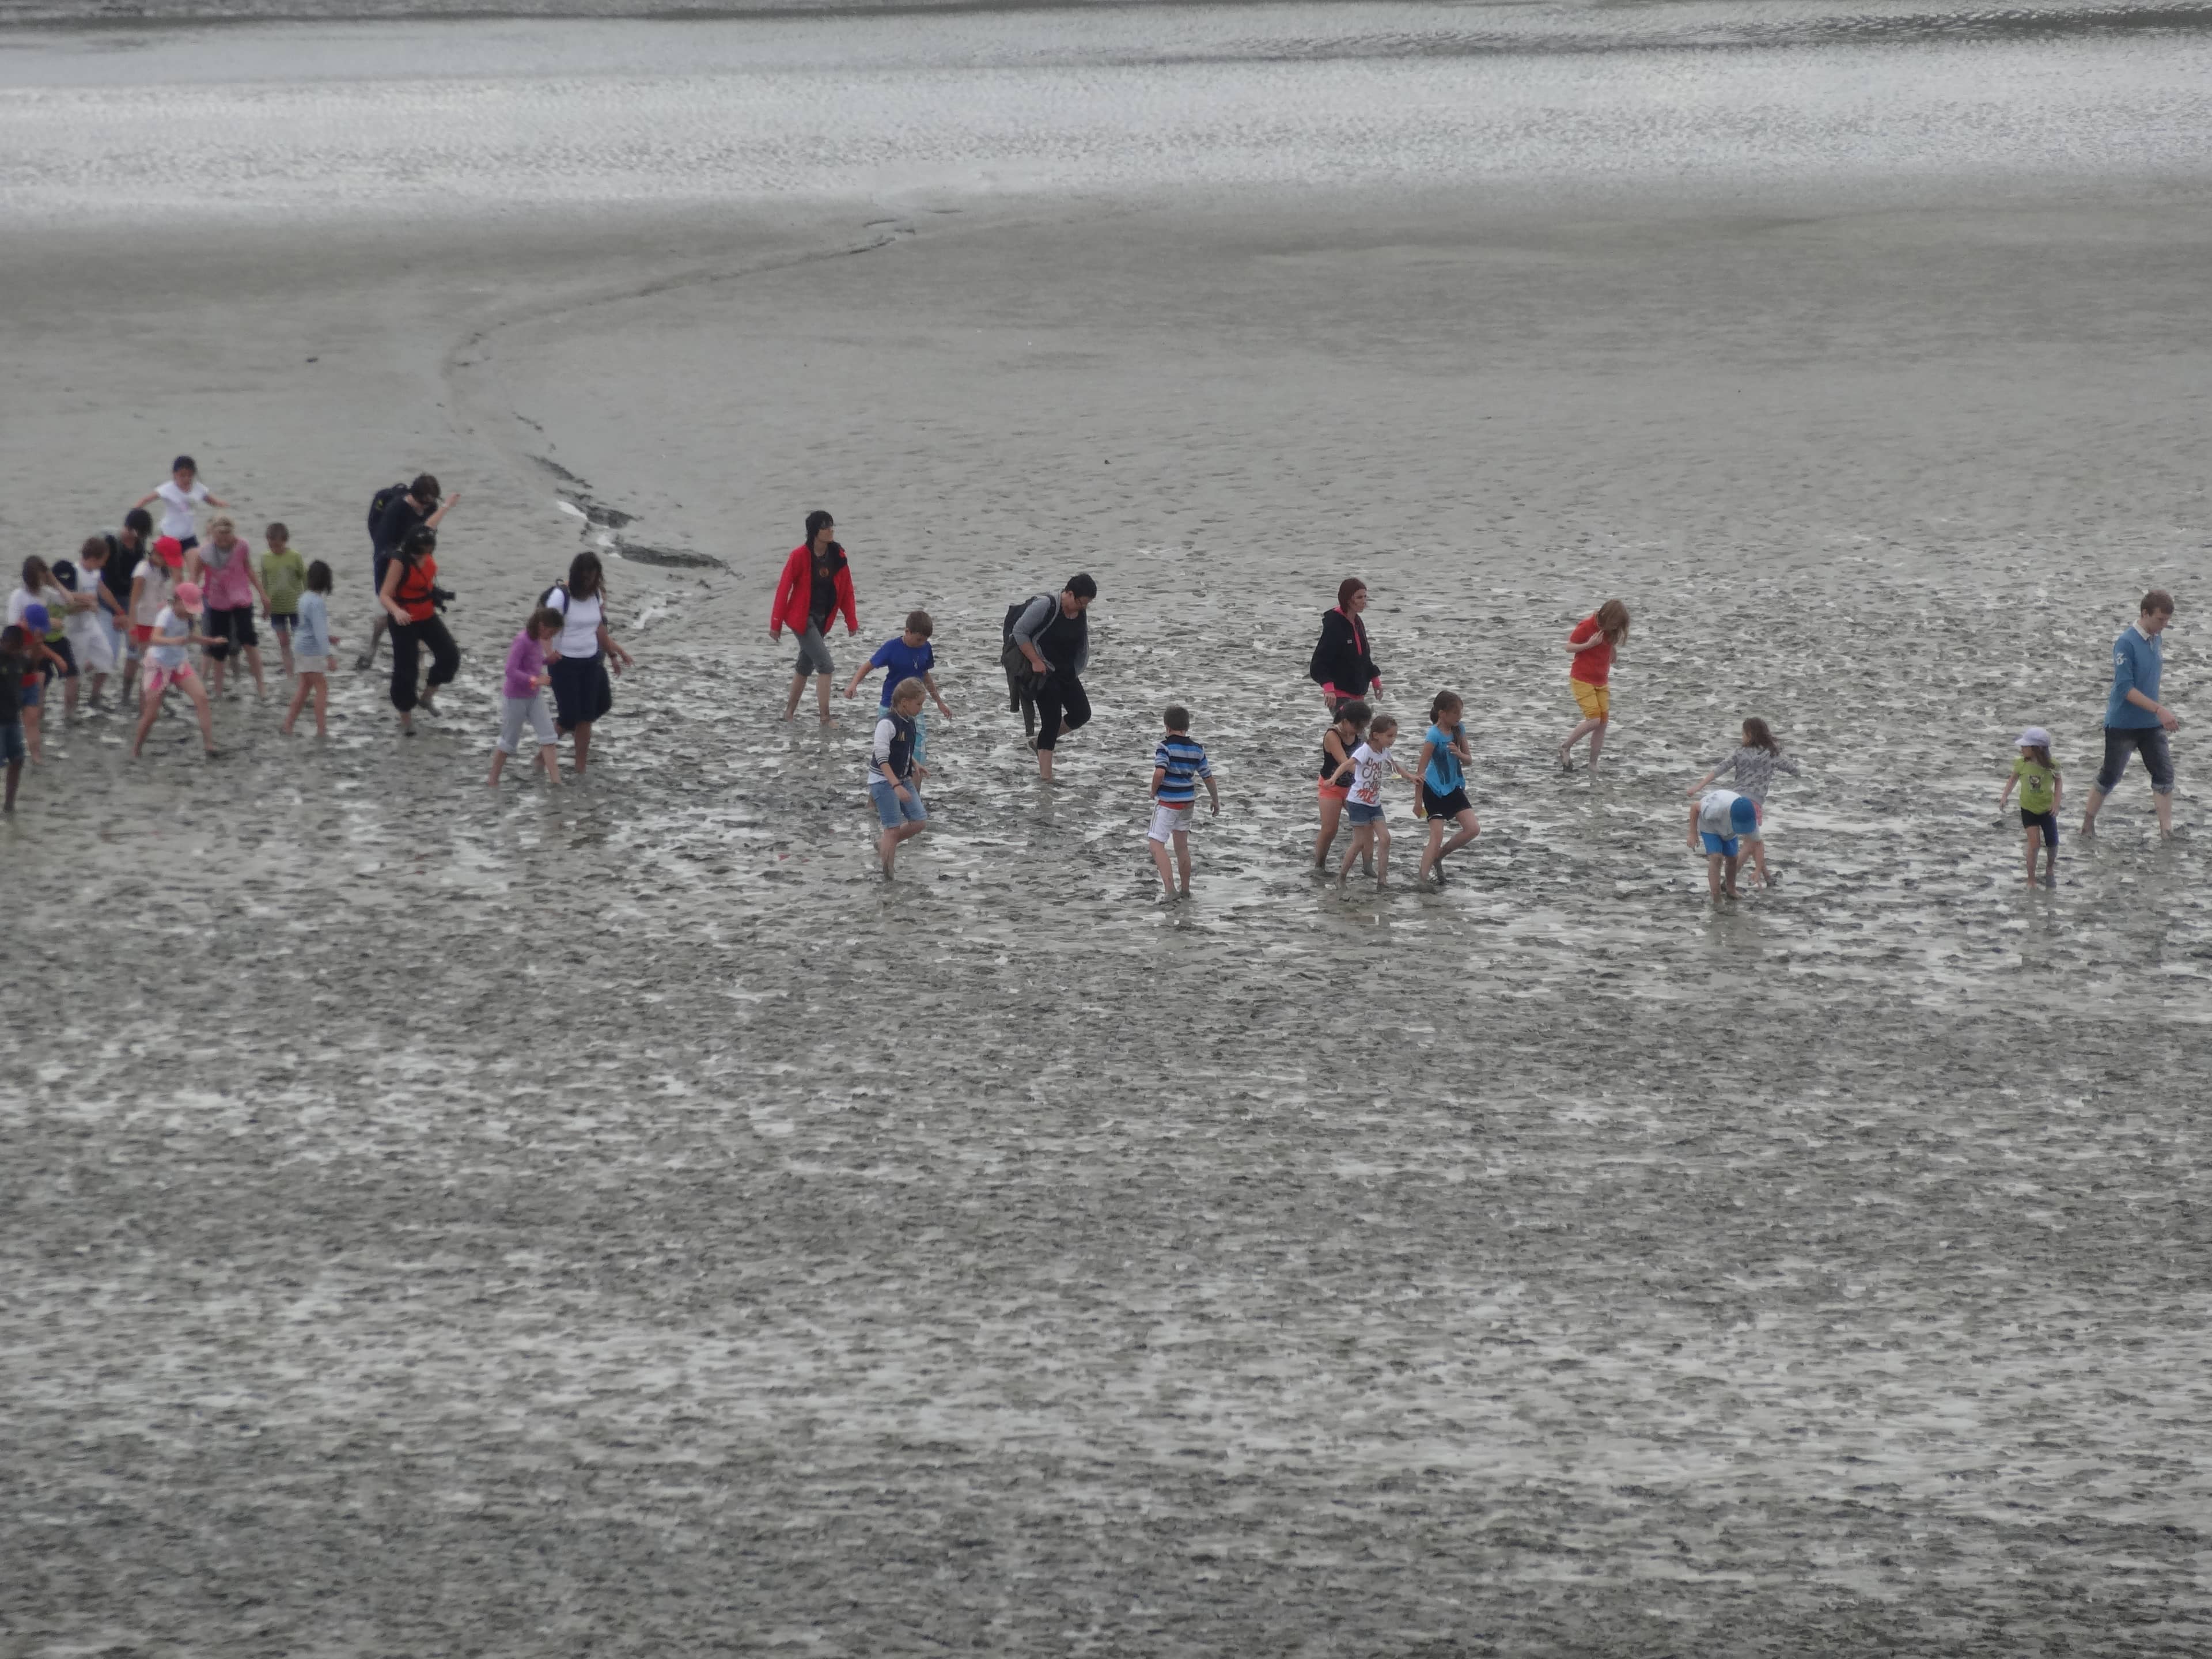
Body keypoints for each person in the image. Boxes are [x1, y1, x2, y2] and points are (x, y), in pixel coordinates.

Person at [2081, 589, 2178, 840]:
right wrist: (2160, 709)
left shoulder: (2156, 639)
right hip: (2123, 723)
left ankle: (2166, 831)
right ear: (2144, 613)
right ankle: (2088, 823)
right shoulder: (2126, 642)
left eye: (2168, 620)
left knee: (2164, 774)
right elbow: (2125, 688)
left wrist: (2157, 712)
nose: (2164, 625)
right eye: (2160, 620)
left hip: (2150, 723)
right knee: (2110, 775)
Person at [1686, 717, 1800, 888]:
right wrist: (1799, 771)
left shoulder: (1740, 752)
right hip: (1754, 804)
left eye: (1743, 733)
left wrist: (1698, 786)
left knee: (1754, 841)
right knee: (1752, 842)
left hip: (1734, 802)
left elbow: (1720, 769)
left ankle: (1766, 876)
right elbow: (1793, 769)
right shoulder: (1772, 754)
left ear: (1749, 734)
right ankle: (1729, 880)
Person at [545, 551, 632, 774]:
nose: (590, 582)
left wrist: (613, 655)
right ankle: (541, 756)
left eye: (594, 577)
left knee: (587, 716)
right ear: (576, 576)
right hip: (564, 663)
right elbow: (543, 630)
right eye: (585, 578)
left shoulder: (596, 596)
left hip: (591, 662)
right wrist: (549, 654)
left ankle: (580, 768)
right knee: (569, 717)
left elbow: (599, 629)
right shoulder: (559, 597)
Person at [360, 475, 457, 669]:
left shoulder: (429, 508)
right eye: (422, 503)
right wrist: (399, 562)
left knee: (420, 609)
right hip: (390, 566)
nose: (424, 509)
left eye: (429, 504)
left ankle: (419, 661)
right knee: (384, 615)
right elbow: (381, 546)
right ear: (414, 495)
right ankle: (373, 646)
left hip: (418, 565)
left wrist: (424, 562)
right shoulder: (395, 510)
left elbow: (429, 532)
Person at [771, 510, 858, 722]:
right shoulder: (799, 556)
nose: (831, 530)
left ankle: (789, 713)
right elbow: (784, 589)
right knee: (826, 665)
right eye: (826, 526)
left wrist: (851, 620)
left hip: (823, 619)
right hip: (802, 619)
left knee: (805, 666)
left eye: (832, 525)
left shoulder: (838, 556)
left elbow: (847, 590)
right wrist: (776, 624)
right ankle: (825, 717)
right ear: (814, 531)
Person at [1010, 574, 1097, 781]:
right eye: (1081, 603)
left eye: (1087, 605)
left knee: (1082, 713)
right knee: (1051, 721)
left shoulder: (1080, 612)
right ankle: (1046, 779)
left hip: (1067, 671)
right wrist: (1035, 660)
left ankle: (1039, 743)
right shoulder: (1046, 605)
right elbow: (1020, 631)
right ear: (1069, 593)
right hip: (1043, 672)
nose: (1083, 608)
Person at [376, 527, 459, 735]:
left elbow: (429, 525)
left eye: (427, 550)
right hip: (403, 620)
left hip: (427, 615)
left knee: (450, 655)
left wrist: (446, 506)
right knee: (406, 670)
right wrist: (396, 612)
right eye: (419, 551)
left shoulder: (427, 553)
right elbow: (384, 595)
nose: (422, 554)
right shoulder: (400, 561)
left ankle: (427, 697)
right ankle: (406, 719)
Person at [844, 609, 953, 762]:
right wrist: (853, 686)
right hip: (890, 705)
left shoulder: (926, 648)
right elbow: (867, 666)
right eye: (919, 640)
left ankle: (915, 784)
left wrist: (940, 703)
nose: (921, 644)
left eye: (925, 640)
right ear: (907, 632)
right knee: (889, 752)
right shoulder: (891, 648)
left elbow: (926, 676)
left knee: (918, 752)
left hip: (915, 707)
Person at [131, 581, 219, 761]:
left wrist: (209, 641)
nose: (189, 612)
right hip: (158, 666)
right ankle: (136, 750)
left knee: (202, 698)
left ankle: (209, 745)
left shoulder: (188, 618)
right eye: (187, 607)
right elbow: (154, 638)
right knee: (151, 714)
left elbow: (189, 637)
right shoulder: (166, 615)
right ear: (177, 600)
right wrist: (173, 642)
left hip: (179, 663)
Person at [1329, 711, 1417, 890]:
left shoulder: (1385, 752)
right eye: (1390, 736)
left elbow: (1396, 767)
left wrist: (1411, 777)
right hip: (1358, 802)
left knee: (1385, 838)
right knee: (1359, 843)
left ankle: (1382, 881)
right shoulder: (1365, 751)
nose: (1393, 740)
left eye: (1395, 736)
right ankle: (1341, 877)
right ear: (1376, 735)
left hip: (1374, 803)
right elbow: (1347, 764)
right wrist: (1333, 778)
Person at [1147, 704, 1220, 899]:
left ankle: (1170, 890)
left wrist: (1153, 791)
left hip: (1169, 803)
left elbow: (1160, 772)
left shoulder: (1165, 747)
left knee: (1156, 844)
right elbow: (1208, 778)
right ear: (1187, 727)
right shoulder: (1197, 750)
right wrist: (1215, 800)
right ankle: (1186, 889)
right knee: (1182, 847)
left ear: (1167, 727)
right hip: (1188, 802)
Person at [190, 516, 267, 700]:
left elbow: (249, 569)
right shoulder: (205, 552)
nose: (224, 539)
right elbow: (194, 579)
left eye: (227, 534)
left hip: (241, 599)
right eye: (220, 535)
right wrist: (188, 603)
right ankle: (218, 692)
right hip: (217, 602)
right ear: (213, 534)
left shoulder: (242, 547)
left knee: (249, 641)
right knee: (219, 646)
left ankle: (261, 687)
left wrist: (263, 595)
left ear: (233, 533)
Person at [490, 604, 564, 789]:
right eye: (552, 632)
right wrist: (535, 680)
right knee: (509, 741)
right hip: (515, 698)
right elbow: (510, 670)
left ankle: (556, 781)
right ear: (542, 626)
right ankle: (493, 779)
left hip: (534, 697)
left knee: (549, 736)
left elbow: (534, 661)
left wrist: (548, 660)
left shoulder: (538, 640)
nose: (551, 637)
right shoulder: (522, 640)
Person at [1558, 599, 1630, 774]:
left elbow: (1609, 642)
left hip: (1601, 681)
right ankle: (1565, 747)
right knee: (1594, 719)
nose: (1615, 629)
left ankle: (1593, 763)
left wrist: (1613, 649)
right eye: (1614, 625)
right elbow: (1569, 647)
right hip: (1582, 679)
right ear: (1605, 617)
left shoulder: (1610, 631)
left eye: (1618, 627)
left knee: (1603, 722)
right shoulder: (1587, 625)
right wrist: (1588, 645)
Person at [1415, 691, 1480, 885]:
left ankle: (1440, 857)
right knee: (1436, 837)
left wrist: (1459, 753)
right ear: (1442, 714)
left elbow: (1469, 760)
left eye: (1460, 713)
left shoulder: (1459, 729)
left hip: (1453, 787)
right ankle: (1422, 880)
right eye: (1455, 713)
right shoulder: (1433, 735)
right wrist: (1418, 801)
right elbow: (1420, 770)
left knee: (1473, 829)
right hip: (1433, 790)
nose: (1459, 717)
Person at [868, 676, 930, 877]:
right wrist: (895, 785)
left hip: (903, 778)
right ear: (904, 702)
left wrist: (915, 764)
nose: (921, 708)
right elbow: (882, 757)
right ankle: (888, 874)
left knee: (919, 821)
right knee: (892, 828)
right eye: (918, 704)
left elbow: (903, 749)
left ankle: (883, 844)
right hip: (884, 781)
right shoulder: (887, 724)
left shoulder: (909, 722)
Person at [7, 564, 70, 760]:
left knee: (32, 721)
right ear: (26, 622)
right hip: (12, 685)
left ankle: (37, 759)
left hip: (30, 683)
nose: (40, 635)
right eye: (38, 631)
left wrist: (56, 657)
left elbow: (40, 649)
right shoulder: (13, 637)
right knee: (10, 724)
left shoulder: (37, 635)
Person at [1998, 726, 2063, 889]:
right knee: (2034, 844)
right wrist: (2005, 795)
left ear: (2038, 748)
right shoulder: (2021, 764)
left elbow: (2059, 782)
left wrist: (2056, 803)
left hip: (2047, 810)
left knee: (2053, 843)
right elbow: (2012, 779)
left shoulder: (2052, 765)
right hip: (2028, 809)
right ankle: (2031, 879)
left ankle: (2049, 868)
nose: (2022, 749)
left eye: (2025, 747)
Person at [281, 561, 340, 738]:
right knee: (322, 687)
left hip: (299, 647)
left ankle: (288, 725)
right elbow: (319, 632)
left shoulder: (304, 598)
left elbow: (307, 626)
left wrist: (328, 638)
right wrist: (329, 656)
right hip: (310, 651)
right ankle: (321, 730)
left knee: (304, 687)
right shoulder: (317, 603)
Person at [96, 510, 152, 695]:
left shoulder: (140, 544)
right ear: (128, 527)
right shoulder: (111, 543)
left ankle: (126, 694)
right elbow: (103, 581)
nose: (137, 537)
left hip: (129, 601)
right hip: (107, 601)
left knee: (134, 650)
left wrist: (129, 613)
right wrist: (118, 612)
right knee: (108, 654)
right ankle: (94, 695)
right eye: (137, 532)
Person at [54, 554, 118, 714]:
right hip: (74, 630)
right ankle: (70, 711)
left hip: (92, 625)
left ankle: (95, 699)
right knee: (75, 673)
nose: (104, 563)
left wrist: (118, 610)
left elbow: (103, 591)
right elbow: (65, 604)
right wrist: (87, 605)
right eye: (103, 559)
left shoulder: (95, 574)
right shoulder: (73, 572)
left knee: (107, 658)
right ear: (94, 557)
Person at [1309, 578, 1382, 714]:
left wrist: (1375, 679)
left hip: (1358, 694)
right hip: (1339, 694)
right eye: (1359, 597)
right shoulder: (1335, 624)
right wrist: (1329, 688)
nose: (1364, 601)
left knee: (1357, 735)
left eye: (1365, 597)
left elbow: (1364, 657)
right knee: (1351, 734)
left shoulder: (1357, 621)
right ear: (1348, 599)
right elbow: (1318, 663)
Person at [1313, 698, 1370, 871]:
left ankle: (1367, 867)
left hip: (1354, 788)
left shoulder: (1358, 734)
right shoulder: (1332, 735)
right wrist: (1368, 774)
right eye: (1358, 727)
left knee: (1367, 826)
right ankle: (1319, 866)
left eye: (1364, 727)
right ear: (1345, 721)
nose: (1361, 731)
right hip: (1332, 786)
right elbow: (1345, 763)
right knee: (1330, 829)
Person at [128, 537, 185, 713]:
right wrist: (132, 630)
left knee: (162, 664)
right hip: (144, 624)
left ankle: (156, 700)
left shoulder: (163, 569)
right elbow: (133, 603)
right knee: (150, 666)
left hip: (159, 622)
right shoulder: (142, 572)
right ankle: (143, 707)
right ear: (157, 554)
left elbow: (177, 585)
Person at [134, 456, 228, 555]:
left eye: (190, 476)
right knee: (168, 568)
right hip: (169, 536)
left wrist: (220, 504)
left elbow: (209, 499)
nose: (186, 479)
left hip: (189, 536)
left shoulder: (198, 488)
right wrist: (134, 512)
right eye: (182, 476)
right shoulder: (167, 489)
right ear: (175, 474)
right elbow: (146, 499)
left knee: (196, 565)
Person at [1688, 788, 1758, 900]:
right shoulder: (1715, 810)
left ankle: (1731, 890)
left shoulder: (1749, 816)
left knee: (1733, 858)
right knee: (1716, 858)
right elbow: (1695, 807)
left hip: (1729, 831)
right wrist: (1692, 833)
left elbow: (1757, 844)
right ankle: (1716, 895)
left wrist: (1759, 869)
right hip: (1710, 827)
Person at [261, 522, 307, 679]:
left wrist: (308, 600)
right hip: (276, 607)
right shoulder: (265, 558)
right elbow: (265, 584)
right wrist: (265, 606)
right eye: (271, 545)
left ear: (285, 541)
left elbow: (305, 578)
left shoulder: (295, 557)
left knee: (300, 639)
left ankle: (303, 670)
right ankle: (289, 674)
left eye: (278, 545)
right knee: (283, 641)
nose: (275, 548)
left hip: (295, 606)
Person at [0, 624, 33, 810]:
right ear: (2, 642)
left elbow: (32, 667)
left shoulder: (21, 659)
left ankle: (9, 805)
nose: (12, 651)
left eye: (17, 648)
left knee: (18, 759)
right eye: (10, 647)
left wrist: (37, 644)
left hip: (13, 719)